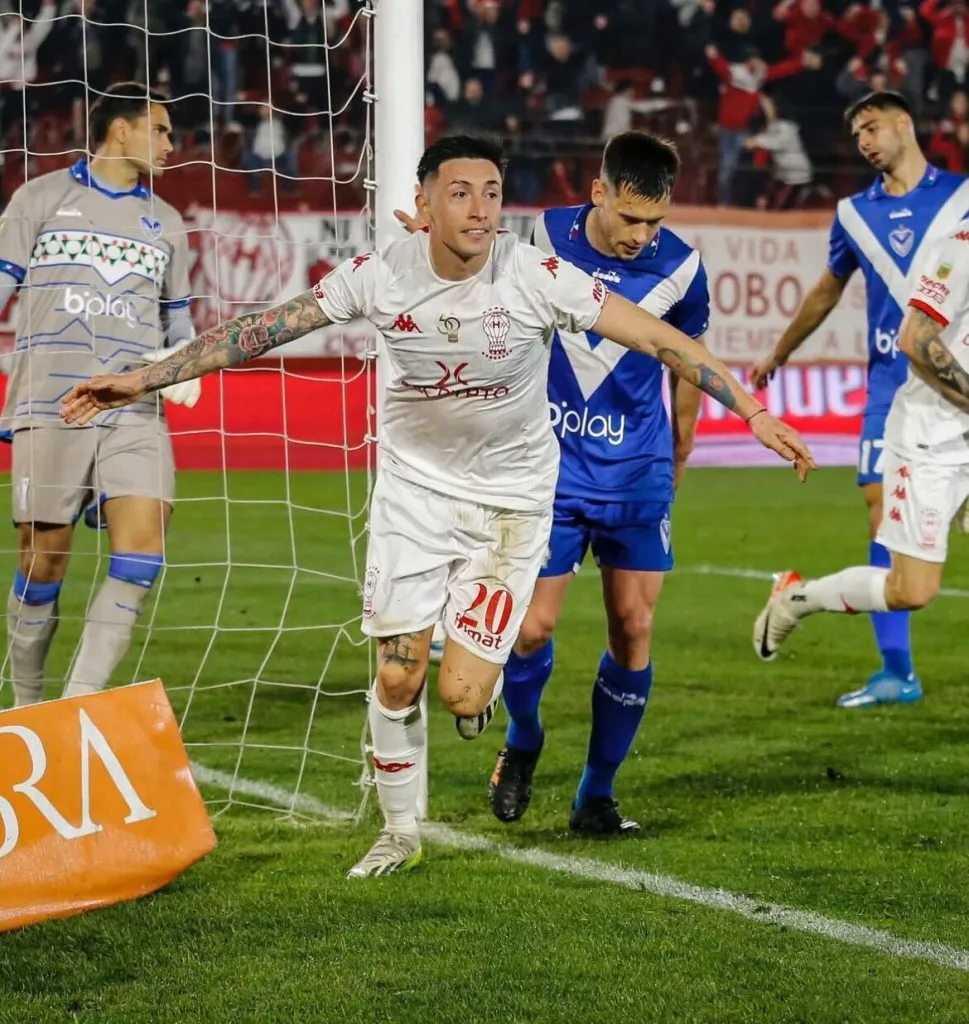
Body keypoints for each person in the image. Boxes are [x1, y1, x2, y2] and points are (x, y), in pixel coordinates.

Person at [60, 134, 815, 878]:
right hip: (413, 500)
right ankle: (399, 832)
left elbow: (659, 339)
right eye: (460, 193)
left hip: (511, 509)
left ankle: (483, 699)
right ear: (422, 205)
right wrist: (149, 375)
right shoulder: (378, 274)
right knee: (397, 678)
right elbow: (264, 329)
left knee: (460, 692)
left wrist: (752, 413)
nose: (480, 209)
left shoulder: (536, 275)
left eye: (491, 193)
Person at [492, 132, 709, 835]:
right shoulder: (540, 235)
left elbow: (687, 362)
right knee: (529, 629)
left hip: (636, 470)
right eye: (629, 217)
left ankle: (595, 794)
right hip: (550, 467)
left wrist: (678, 454)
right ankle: (523, 738)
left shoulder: (682, 267)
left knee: (634, 627)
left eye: (655, 220)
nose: (641, 235)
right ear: (598, 193)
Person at [749, 90, 969, 708]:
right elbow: (826, 291)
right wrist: (781, 352)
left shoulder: (960, 196)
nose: (865, 142)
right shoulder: (853, 213)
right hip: (898, 387)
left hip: (957, 384)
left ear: (906, 123)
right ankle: (895, 668)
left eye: (872, 127)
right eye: (856, 135)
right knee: (885, 524)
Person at [0, 82, 196, 708]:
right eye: (161, 130)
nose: (171, 144)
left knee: (143, 552)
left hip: (132, 403)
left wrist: (182, 362)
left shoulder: (166, 222)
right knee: (43, 563)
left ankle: (77, 703)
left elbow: (178, 319)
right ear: (121, 130)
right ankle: (26, 705)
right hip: (50, 403)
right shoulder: (38, 198)